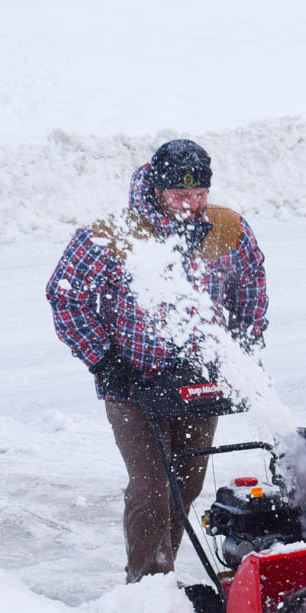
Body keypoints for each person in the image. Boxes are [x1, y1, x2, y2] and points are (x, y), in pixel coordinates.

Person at [46, 139, 268, 583]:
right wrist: (105, 360)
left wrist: (241, 348)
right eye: (180, 195)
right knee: (151, 488)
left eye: (199, 194)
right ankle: (148, 587)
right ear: (157, 189)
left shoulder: (227, 229)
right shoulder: (112, 236)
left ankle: (161, 576)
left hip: (198, 383)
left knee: (185, 487)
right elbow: (65, 297)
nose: (191, 204)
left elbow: (251, 286)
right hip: (132, 383)